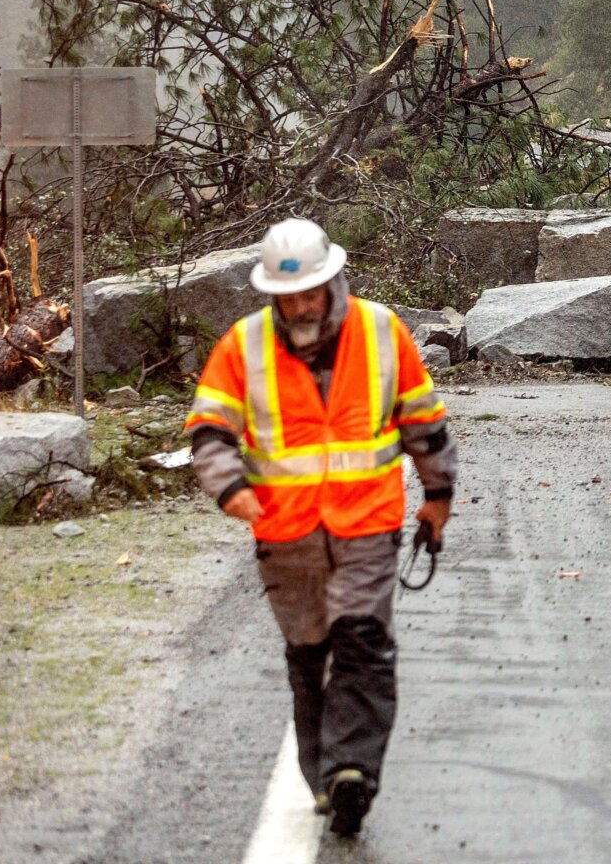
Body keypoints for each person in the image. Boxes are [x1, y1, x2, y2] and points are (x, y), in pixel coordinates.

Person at [184, 218, 455, 837]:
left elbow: (423, 421)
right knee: (309, 655)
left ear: (332, 281)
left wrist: (438, 495)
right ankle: (323, 778)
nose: (301, 306)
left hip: (367, 525)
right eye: (289, 297)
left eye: (310, 292)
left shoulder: (382, 331)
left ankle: (351, 771)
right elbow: (210, 431)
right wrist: (230, 488)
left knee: (362, 644)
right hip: (286, 536)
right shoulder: (243, 346)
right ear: (271, 296)